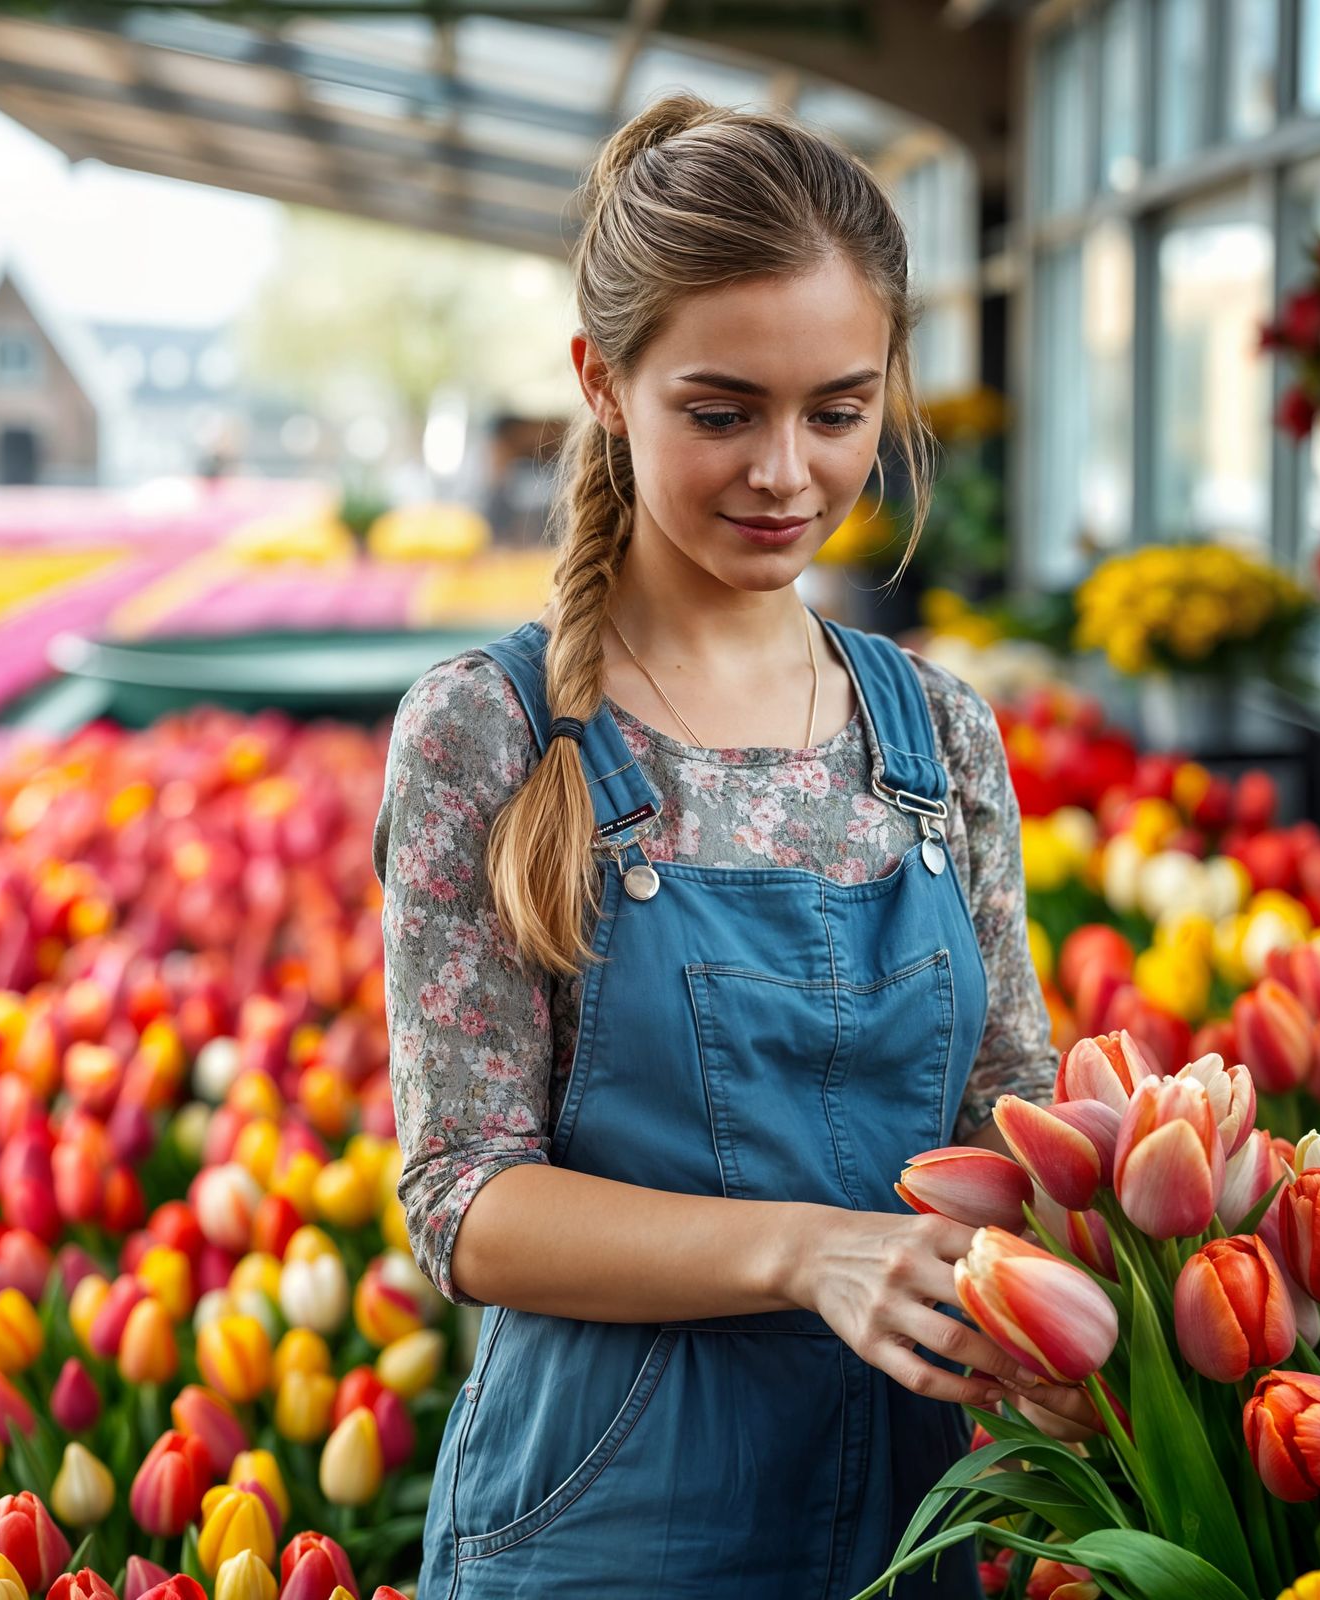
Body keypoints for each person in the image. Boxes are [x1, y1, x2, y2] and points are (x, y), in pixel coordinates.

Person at [373, 91, 1059, 1598]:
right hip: (610, 1523)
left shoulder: (937, 736)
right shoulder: (491, 733)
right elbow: (468, 1201)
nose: (785, 474)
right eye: (721, 410)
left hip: (920, 1513)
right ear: (602, 384)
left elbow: (1015, 1104)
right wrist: (810, 1251)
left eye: (838, 410)